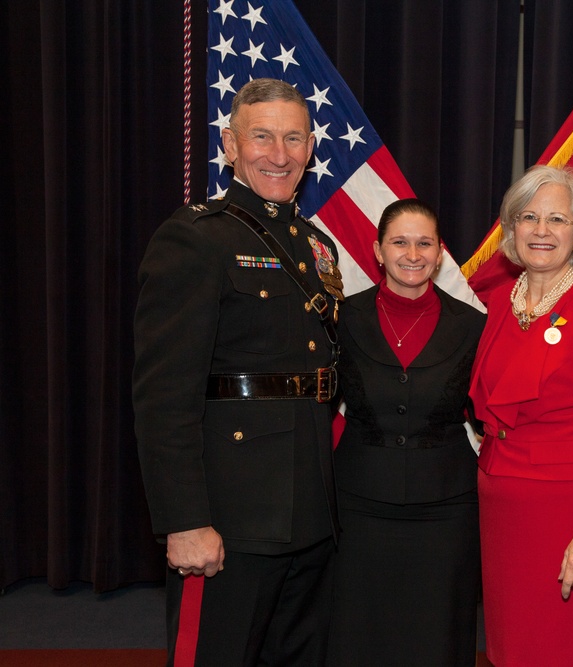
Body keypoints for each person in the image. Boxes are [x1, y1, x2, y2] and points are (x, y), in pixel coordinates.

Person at [133, 78, 344, 666]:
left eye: (293, 138)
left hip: (310, 513)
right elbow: (163, 398)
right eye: (262, 137)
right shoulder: (195, 238)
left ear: (309, 148)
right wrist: (185, 521)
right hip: (230, 516)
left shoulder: (314, 246)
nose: (279, 154)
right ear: (229, 145)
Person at [470, 165, 573, 666]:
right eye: (529, 217)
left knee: (563, 646)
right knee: (510, 644)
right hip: (501, 505)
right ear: (511, 228)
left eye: (557, 219)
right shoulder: (499, 302)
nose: (541, 231)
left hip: (566, 509)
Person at [329, 199, 485, 666]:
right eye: (400, 242)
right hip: (359, 505)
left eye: (425, 243)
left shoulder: (474, 325)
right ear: (378, 251)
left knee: (437, 635)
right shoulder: (341, 319)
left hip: (446, 509)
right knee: (357, 632)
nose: (412, 254)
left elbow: (492, 410)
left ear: (440, 254)